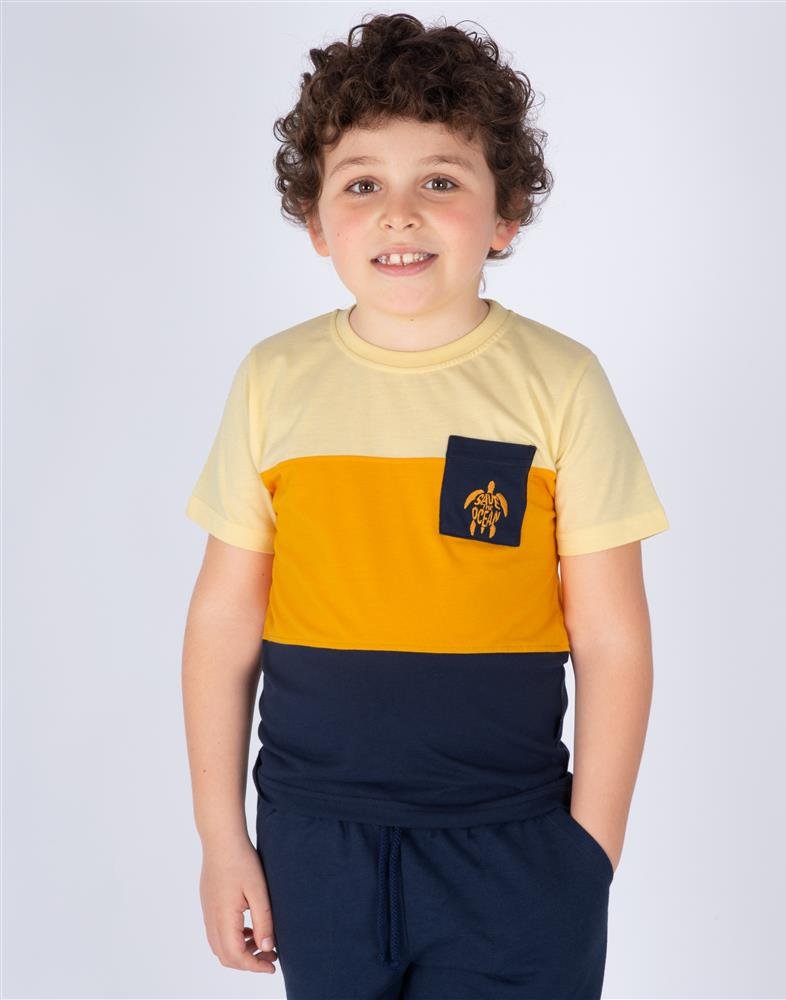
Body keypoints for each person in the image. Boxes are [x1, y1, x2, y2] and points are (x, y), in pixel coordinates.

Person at [182, 12, 669, 999]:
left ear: (505, 214)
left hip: (516, 844)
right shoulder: (275, 380)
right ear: (316, 222)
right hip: (315, 840)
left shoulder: (559, 383)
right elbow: (224, 622)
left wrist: (590, 851)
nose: (398, 214)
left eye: (439, 182)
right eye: (362, 184)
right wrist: (222, 839)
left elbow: (610, 633)